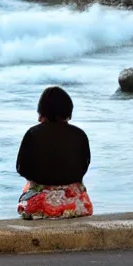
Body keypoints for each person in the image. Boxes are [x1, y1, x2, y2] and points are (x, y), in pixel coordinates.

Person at [16, 86, 93, 220]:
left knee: (28, 188)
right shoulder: (80, 134)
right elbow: (83, 166)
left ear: (42, 110)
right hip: (76, 205)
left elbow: (22, 168)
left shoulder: (33, 133)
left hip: (40, 207)